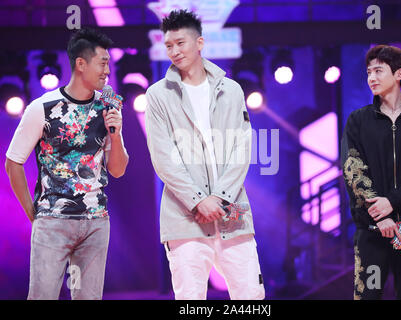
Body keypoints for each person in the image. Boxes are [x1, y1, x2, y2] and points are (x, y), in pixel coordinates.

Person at [145, 9, 265, 300]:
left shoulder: (231, 90)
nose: (174, 51)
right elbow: (163, 157)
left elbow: (241, 149)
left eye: (181, 43)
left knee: (251, 297)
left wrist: (220, 197)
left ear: (199, 43)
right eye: (169, 45)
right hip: (183, 218)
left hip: (232, 214)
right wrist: (199, 200)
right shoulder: (158, 95)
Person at [5, 28, 129, 300]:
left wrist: (116, 133)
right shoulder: (43, 107)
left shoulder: (109, 108)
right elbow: (13, 162)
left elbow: (118, 170)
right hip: (52, 221)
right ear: (81, 64)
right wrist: (33, 213)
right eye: (103, 63)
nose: (107, 71)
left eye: (109, 63)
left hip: (96, 222)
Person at [341, 44, 401, 300]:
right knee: (368, 296)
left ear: (399, 74)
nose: (371, 78)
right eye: (368, 72)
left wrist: (391, 203)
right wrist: (379, 215)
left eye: (378, 71)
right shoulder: (358, 121)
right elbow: (353, 171)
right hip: (372, 231)